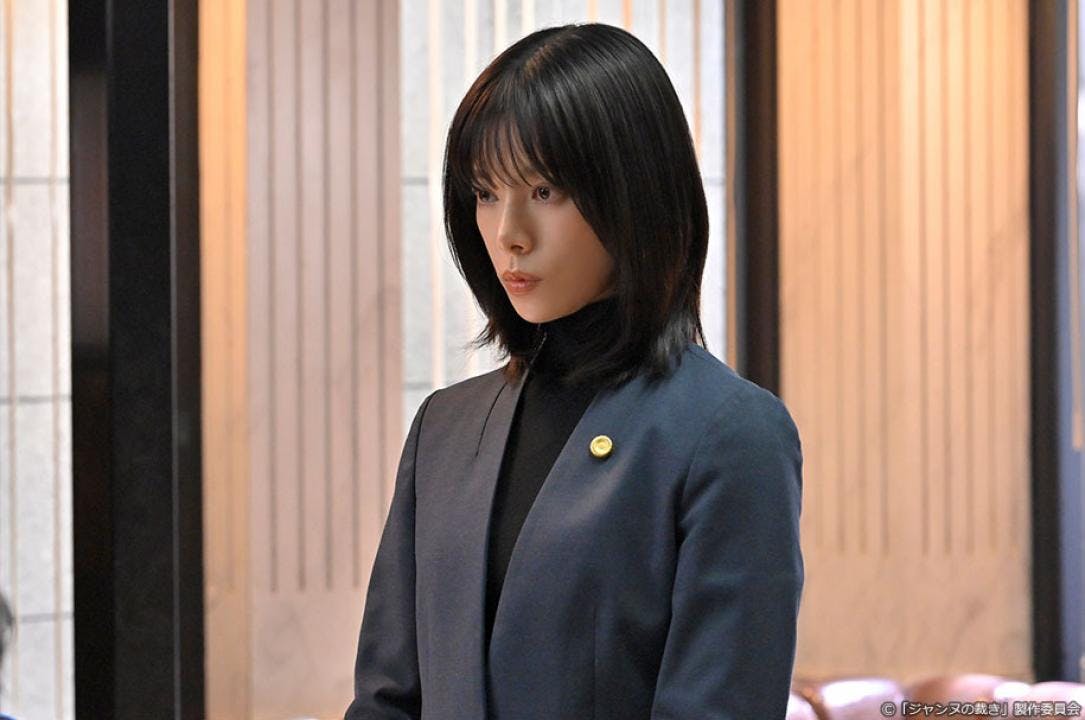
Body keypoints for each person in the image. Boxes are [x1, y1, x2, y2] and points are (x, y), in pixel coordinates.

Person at [346, 22, 803, 720]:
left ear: (635, 194)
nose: (509, 233)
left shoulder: (729, 435)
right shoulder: (445, 427)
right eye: (486, 192)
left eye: (545, 191)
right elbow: (386, 701)